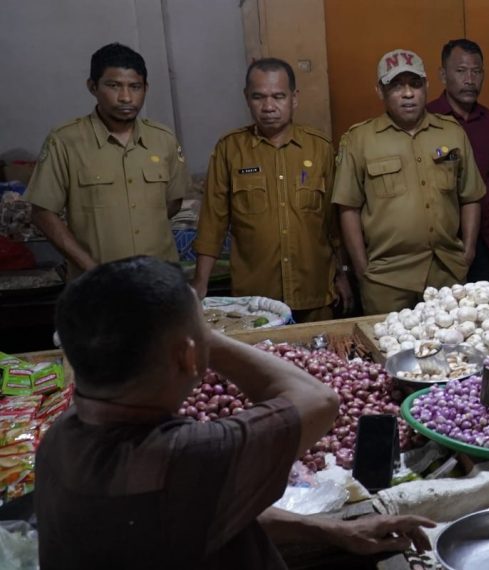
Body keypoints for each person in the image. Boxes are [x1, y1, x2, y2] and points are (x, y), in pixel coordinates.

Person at [35, 256, 435, 569]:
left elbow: (199, 512)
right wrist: (201, 336)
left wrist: (330, 530)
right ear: (190, 356)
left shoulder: (61, 437)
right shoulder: (184, 455)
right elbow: (318, 401)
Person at [192, 58, 351, 323]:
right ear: (247, 98)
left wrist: (342, 274)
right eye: (259, 97)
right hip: (255, 301)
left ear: (294, 98)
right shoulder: (230, 150)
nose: (268, 107)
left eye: (278, 96)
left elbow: (333, 222)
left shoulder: (320, 148)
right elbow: (212, 224)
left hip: (314, 293)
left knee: (318, 363)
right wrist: (200, 283)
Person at [332, 49, 485, 315]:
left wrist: (468, 251)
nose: (407, 94)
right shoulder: (360, 140)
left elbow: (470, 196)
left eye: (414, 84)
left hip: (446, 272)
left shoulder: (452, 132)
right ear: (380, 91)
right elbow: (348, 207)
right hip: (386, 279)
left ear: (426, 86)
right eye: (396, 86)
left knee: (447, 350)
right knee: (389, 352)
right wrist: (362, 268)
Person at [25, 43, 188, 278]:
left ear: (146, 88)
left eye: (135, 87)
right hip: (96, 286)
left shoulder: (164, 139)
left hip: (160, 281)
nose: (125, 97)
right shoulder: (65, 140)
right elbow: (42, 212)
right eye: (113, 86)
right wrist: (93, 270)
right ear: (92, 87)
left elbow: (172, 203)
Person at [427, 39, 489, 283]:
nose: (470, 80)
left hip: (484, 238)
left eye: (476, 71)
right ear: (443, 74)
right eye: (461, 71)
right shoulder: (427, 120)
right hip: (440, 240)